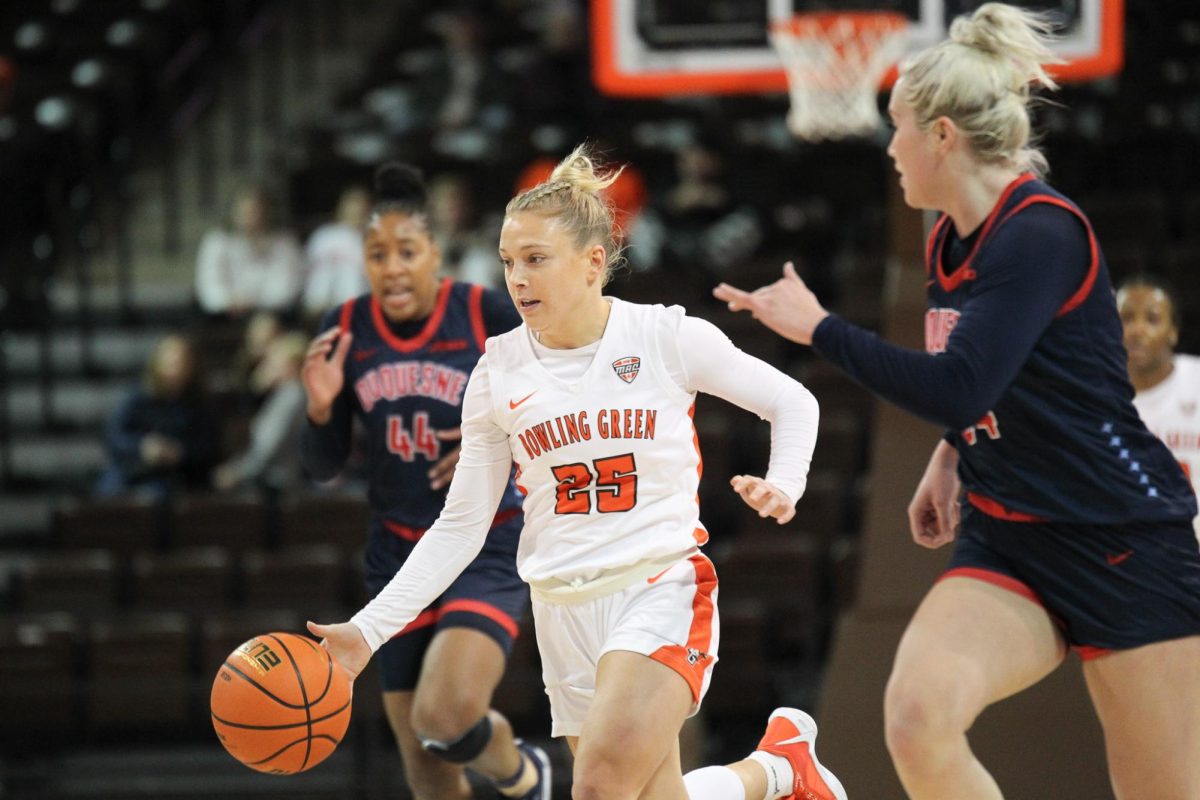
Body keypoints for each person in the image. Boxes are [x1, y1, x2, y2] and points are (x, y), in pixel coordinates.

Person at [713, 5, 1200, 799]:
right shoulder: (949, 236)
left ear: (942, 135)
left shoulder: (1040, 233)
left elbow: (962, 383)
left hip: (1123, 541)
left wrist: (822, 329)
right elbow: (994, 379)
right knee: (915, 716)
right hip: (1011, 537)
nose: (891, 148)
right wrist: (953, 452)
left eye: (899, 127)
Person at [309, 144, 846, 800]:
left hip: (657, 589)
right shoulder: (496, 372)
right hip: (561, 609)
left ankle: (779, 770)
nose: (518, 278)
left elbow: (793, 401)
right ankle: (778, 770)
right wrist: (366, 633)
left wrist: (785, 482)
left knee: (596, 789)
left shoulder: (664, 338)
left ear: (594, 263)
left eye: (535, 259)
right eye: (509, 262)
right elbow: (461, 527)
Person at [300, 162, 549, 800]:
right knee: (425, 765)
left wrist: (495, 425)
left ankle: (526, 774)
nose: (392, 267)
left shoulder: (484, 311)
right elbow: (323, 468)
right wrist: (322, 410)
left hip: (486, 545)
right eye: (377, 254)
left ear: (435, 252)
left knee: (441, 716)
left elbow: (557, 390)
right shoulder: (346, 328)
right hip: (396, 550)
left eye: (407, 251)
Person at [1117, 273, 1200, 539]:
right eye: (1126, 318)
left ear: (1173, 331)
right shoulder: (1093, 396)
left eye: (1152, 319)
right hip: (1133, 552)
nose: (1137, 330)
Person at [95, 334, 217, 500]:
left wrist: (180, 453)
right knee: (108, 494)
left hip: (178, 476)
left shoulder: (198, 404)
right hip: (133, 470)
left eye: (181, 363)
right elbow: (114, 436)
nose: (175, 369)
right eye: (170, 363)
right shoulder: (137, 398)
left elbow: (208, 446)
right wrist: (142, 447)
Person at [212, 332, 309, 493]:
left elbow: (267, 450)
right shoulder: (285, 393)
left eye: (273, 361)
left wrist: (235, 472)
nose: (267, 366)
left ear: (291, 365)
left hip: (276, 482)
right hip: (269, 477)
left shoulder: (292, 395)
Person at [194, 183, 306, 320]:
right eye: (246, 212)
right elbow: (209, 285)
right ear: (234, 212)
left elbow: (287, 288)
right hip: (223, 315)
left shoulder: (285, 244)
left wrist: (254, 303)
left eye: (257, 211)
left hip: (273, 315)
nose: (252, 218)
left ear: (268, 212)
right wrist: (228, 301)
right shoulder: (217, 242)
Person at [302, 184, 371, 321]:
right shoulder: (323, 236)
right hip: (318, 310)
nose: (357, 210)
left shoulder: (374, 241)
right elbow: (308, 274)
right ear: (342, 207)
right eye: (352, 204)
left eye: (362, 206)